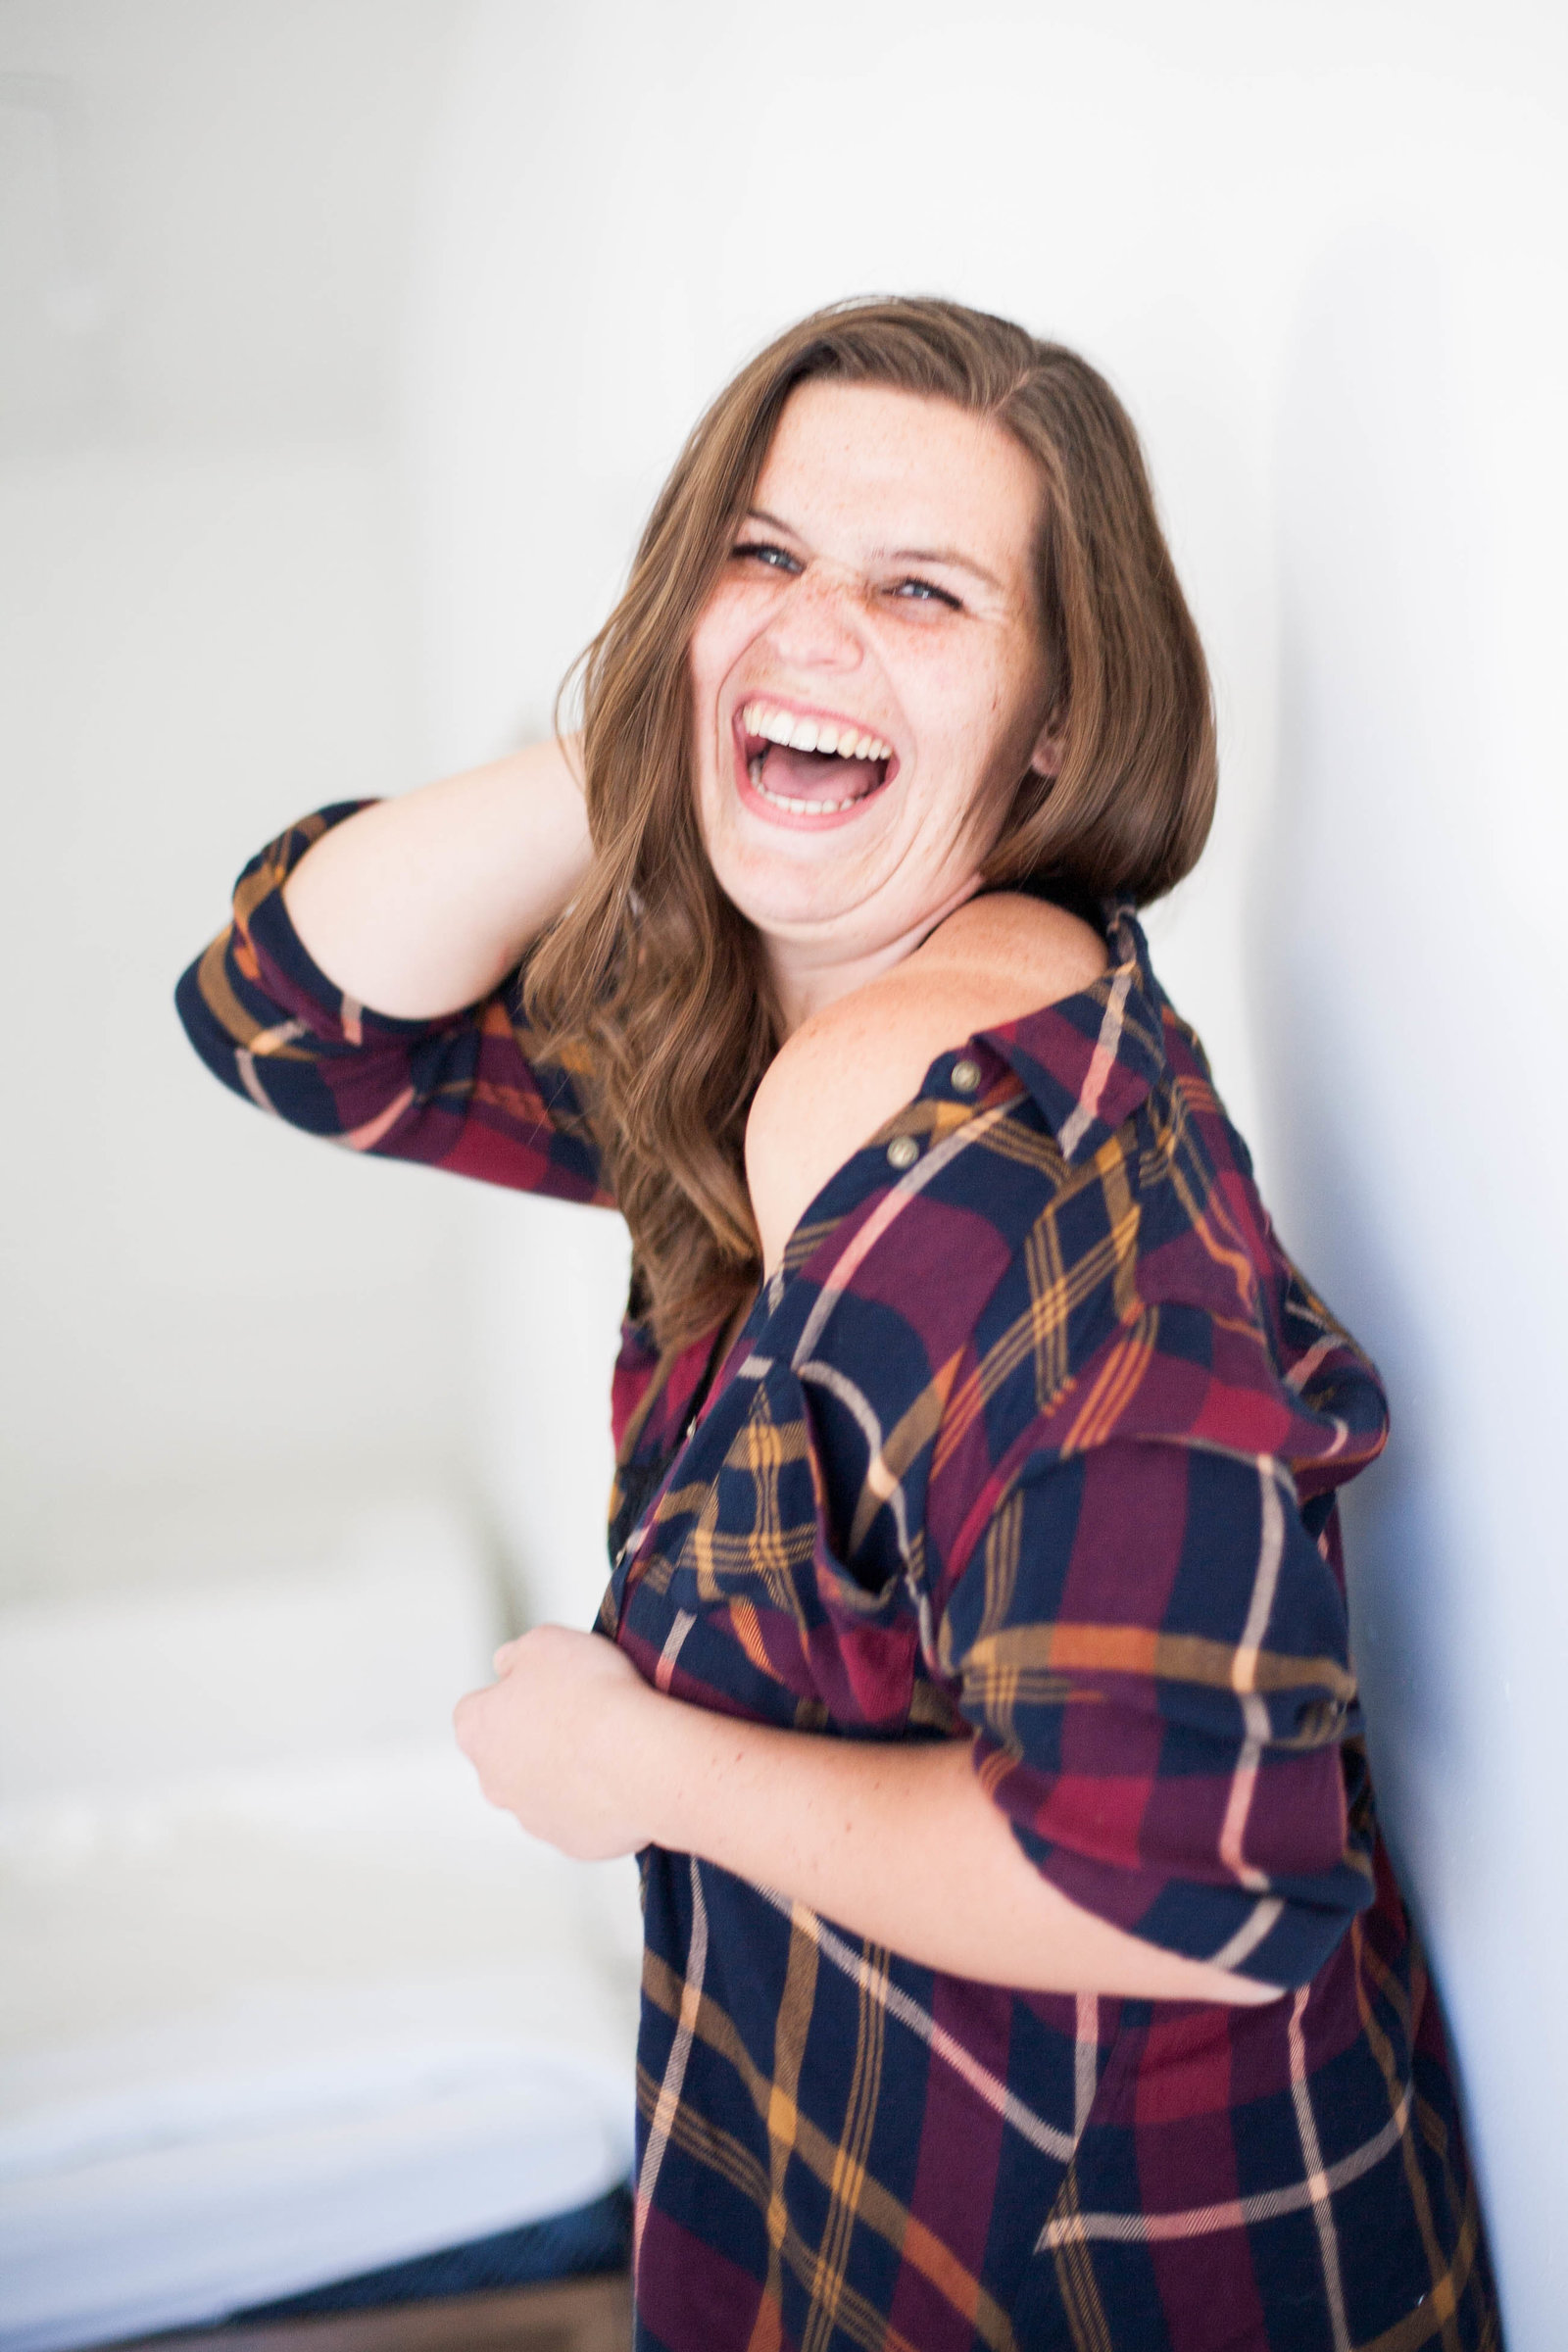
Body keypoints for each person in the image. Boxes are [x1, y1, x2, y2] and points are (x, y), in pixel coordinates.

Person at [175, 297, 1498, 2350]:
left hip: (1123, 2270)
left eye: (921, 590)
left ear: (1054, 728)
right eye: (760, 555)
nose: (810, 627)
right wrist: (657, 738)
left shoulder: (993, 1148)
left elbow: (1183, 1881)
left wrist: (637, 1769)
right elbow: (293, 1012)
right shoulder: (762, 1027)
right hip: (866, 2224)